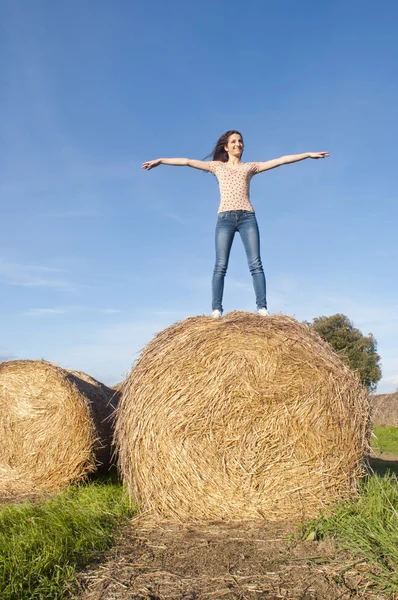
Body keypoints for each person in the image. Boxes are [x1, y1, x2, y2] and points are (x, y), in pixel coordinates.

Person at [142, 130, 329, 317]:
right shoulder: (217, 167)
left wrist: (307, 155)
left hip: (248, 217)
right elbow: (187, 161)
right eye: (233, 141)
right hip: (225, 219)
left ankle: (262, 307)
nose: (237, 144)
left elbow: (280, 160)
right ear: (226, 146)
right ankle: (216, 309)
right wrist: (161, 160)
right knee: (220, 265)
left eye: (240, 141)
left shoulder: (250, 167)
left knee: (256, 263)